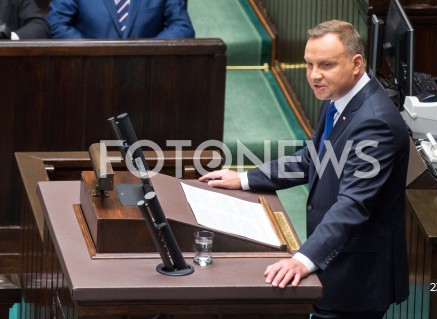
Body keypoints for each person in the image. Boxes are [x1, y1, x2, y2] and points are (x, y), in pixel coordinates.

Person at [199, 20, 410, 319]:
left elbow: (352, 205)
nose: (314, 75)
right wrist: (246, 178)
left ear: (357, 64)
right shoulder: (337, 96)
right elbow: (314, 158)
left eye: (325, 64)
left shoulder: (375, 124)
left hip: (355, 277)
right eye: (309, 64)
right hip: (337, 264)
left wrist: (304, 259)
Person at [46, 0, 195, 39]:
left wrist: (148, 50)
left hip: (148, 76)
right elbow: (56, 23)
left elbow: (182, 26)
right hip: (89, 75)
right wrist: (93, 51)